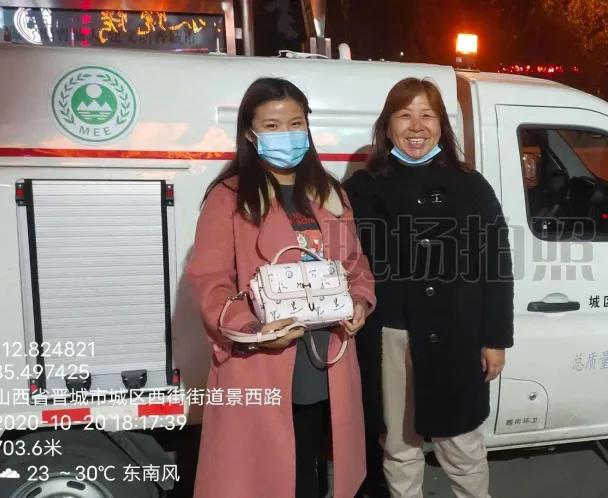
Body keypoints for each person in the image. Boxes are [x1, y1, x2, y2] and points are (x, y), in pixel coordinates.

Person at [186, 77, 376, 498]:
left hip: (326, 359)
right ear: (250, 133)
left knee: (314, 468)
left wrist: (360, 301)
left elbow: (355, 263)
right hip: (264, 362)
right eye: (272, 126)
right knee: (265, 476)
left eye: (295, 123)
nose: (286, 135)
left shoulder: (329, 193)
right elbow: (210, 281)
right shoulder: (229, 198)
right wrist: (254, 330)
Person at [345, 78, 514, 498]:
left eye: (427, 115)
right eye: (404, 115)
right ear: (387, 126)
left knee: (462, 445)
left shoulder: (470, 186)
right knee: (399, 446)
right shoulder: (363, 188)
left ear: (442, 125)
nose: (416, 125)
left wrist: (495, 339)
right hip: (391, 335)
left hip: (458, 335)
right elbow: (348, 259)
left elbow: (497, 265)